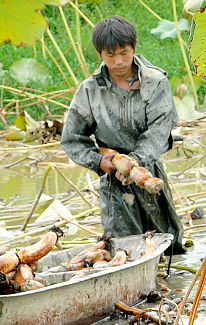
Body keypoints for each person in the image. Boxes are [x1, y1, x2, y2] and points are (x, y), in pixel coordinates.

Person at [60, 15, 185, 250]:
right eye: (111, 55)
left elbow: (159, 130)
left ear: (134, 47)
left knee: (167, 246)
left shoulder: (155, 83)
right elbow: (72, 140)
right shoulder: (90, 91)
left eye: (124, 53)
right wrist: (99, 161)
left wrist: (135, 162)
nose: (119, 61)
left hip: (149, 173)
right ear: (100, 54)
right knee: (124, 248)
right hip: (113, 180)